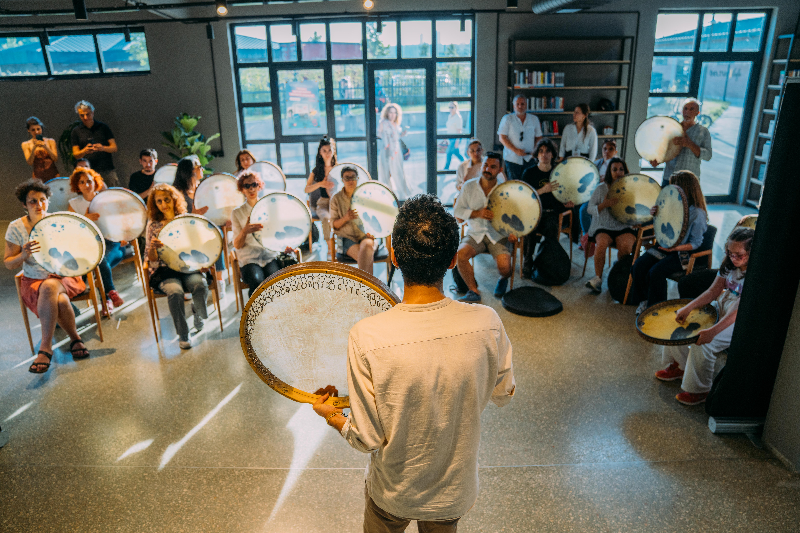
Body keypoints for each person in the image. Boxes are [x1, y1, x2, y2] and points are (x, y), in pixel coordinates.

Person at [311, 194, 515, 533]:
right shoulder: (488, 323)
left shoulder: (367, 335)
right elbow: (504, 394)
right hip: (452, 494)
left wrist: (332, 414)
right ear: (453, 260)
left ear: (392, 254)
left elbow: (366, 438)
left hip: (393, 494)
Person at [655, 227, 753, 406]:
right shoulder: (729, 265)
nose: (733, 258)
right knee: (680, 326)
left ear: (751, 253)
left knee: (705, 342)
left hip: (738, 317)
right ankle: (680, 366)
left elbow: (736, 311)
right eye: (730, 253)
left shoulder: (753, 274)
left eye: (739, 255)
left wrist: (712, 331)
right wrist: (688, 308)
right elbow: (713, 291)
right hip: (724, 303)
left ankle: (700, 389)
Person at [4, 179, 90, 373]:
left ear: (48, 201)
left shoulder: (59, 223)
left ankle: (45, 348)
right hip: (34, 280)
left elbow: (78, 253)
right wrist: (23, 255)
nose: (38, 205)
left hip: (63, 277)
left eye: (42, 200)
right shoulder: (16, 227)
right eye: (32, 201)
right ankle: (75, 339)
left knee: (51, 285)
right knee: (58, 299)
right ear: (24, 205)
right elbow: (8, 263)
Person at [631, 170, 708, 313]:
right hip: (664, 246)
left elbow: (696, 243)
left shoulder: (697, 213)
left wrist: (674, 249)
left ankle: (656, 309)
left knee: (656, 272)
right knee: (638, 266)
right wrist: (656, 214)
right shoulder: (671, 205)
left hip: (682, 253)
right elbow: (663, 230)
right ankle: (645, 300)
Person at [145, 184, 208, 350]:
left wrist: (203, 261)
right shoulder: (153, 225)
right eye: (159, 201)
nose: (163, 204)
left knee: (200, 285)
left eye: (166, 199)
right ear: (155, 204)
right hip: (165, 271)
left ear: (174, 199)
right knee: (175, 292)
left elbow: (198, 246)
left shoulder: (186, 220)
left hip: (188, 267)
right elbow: (150, 259)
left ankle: (198, 312)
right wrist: (153, 248)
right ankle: (183, 335)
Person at [454, 152, 518, 302]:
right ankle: (473, 291)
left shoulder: (505, 190)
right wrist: (477, 213)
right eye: (485, 165)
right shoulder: (469, 186)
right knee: (460, 255)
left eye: (493, 167)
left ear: (500, 170)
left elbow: (515, 215)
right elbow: (458, 211)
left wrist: (514, 233)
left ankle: (503, 278)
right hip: (475, 233)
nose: (487, 169)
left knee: (505, 268)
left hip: (498, 235)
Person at [67, 167, 125, 313]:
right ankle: (110, 294)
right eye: (82, 182)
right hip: (89, 244)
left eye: (89, 181)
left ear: (95, 182)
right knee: (97, 260)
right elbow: (70, 229)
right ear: (77, 185)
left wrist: (124, 236)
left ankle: (106, 301)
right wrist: (85, 219)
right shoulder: (74, 203)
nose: (87, 185)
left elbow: (119, 222)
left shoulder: (104, 199)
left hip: (112, 243)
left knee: (98, 261)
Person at [520, 139, 573, 279]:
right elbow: (523, 197)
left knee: (551, 228)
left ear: (552, 154)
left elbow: (563, 196)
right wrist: (543, 190)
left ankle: (545, 263)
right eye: (541, 151)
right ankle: (528, 261)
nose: (544, 154)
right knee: (529, 228)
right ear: (537, 154)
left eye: (547, 151)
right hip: (533, 212)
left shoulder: (559, 173)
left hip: (552, 213)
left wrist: (567, 204)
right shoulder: (529, 172)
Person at [231, 172, 289, 297]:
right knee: (257, 281)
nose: (251, 188)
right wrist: (244, 231)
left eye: (254, 184)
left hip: (269, 256)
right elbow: (237, 245)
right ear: (242, 189)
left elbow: (278, 234)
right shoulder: (237, 213)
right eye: (247, 186)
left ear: (259, 186)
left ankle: (274, 313)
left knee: (275, 282)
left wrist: (286, 246)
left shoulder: (269, 208)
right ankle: (258, 314)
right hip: (249, 259)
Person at [584, 158, 637, 294]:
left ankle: (619, 278)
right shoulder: (601, 188)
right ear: (609, 172)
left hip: (623, 226)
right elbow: (589, 208)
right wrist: (603, 205)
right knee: (601, 244)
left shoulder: (629, 189)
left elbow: (634, 210)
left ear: (625, 171)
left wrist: (635, 218)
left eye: (621, 169)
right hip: (603, 225)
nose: (618, 172)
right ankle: (598, 279)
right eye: (615, 169)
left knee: (625, 247)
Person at [173, 155, 226, 291]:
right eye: (198, 166)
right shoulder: (178, 193)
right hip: (186, 231)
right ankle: (192, 280)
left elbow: (216, 208)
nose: (202, 168)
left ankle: (219, 279)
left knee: (217, 233)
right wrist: (193, 215)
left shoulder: (204, 188)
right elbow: (176, 219)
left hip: (204, 227)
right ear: (189, 171)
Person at [650, 98, 712, 186]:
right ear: (681, 111)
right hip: (669, 177)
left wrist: (689, 144)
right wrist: (658, 160)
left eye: (691, 109)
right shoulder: (672, 130)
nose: (687, 112)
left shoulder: (703, 132)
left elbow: (708, 155)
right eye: (685, 108)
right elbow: (664, 151)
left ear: (697, 113)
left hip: (689, 180)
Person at [330, 166, 375, 274]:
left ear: (357, 178)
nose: (350, 180)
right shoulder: (336, 199)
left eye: (353, 177)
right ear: (342, 180)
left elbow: (374, 219)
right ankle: (370, 287)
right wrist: (346, 218)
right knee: (365, 257)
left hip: (364, 235)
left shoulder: (365, 197)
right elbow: (333, 225)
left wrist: (372, 232)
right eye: (347, 178)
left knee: (368, 246)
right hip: (346, 238)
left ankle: (363, 287)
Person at [70, 100, 119, 187]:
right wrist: (85, 151)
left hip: (106, 169)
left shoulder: (103, 127)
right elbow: (76, 154)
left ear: (92, 113)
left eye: (87, 114)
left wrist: (102, 148)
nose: (85, 117)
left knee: (111, 195)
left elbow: (114, 148)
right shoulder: (76, 131)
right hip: (88, 172)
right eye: (82, 115)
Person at [497, 94, 542, 182]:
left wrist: (535, 151)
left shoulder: (534, 119)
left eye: (522, 104)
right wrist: (516, 150)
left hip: (530, 158)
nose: (520, 106)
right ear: (514, 106)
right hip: (512, 158)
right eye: (517, 104)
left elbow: (539, 137)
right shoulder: (507, 119)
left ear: (526, 105)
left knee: (530, 183)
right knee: (514, 184)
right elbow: (502, 137)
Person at [305, 137, 337, 259]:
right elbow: (306, 189)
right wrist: (320, 184)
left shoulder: (338, 168)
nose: (327, 153)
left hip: (337, 202)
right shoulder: (317, 170)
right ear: (320, 152)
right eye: (324, 150)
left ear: (333, 151)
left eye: (330, 150)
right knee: (326, 218)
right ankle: (330, 249)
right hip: (323, 203)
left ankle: (341, 247)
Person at [581, 139, 618, 235]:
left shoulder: (619, 165)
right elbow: (589, 181)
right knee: (583, 210)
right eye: (605, 149)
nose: (607, 152)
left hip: (611, 197)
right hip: (595, 195)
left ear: (615, 152)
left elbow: (623, 183)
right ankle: (587, 237)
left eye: (611, 149)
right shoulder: (596, 164)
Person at [377, 103, 411, 200]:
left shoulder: (395, 123)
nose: (392, 115)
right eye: (390, 112)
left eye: (394, 113)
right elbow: (379, 135)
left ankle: (402, 194)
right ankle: (387, 195)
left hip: (397, 150)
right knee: (386, 173)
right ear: (387, 113)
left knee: (398, 171)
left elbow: (396, 137)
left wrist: (401, 134)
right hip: (387, 150)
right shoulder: (383, 123)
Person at [21, 117, 59, 181]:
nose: (37, 132)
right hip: (38, 176)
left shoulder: (50, 141)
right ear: (28, 130)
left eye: (38, 129)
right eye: (33, 130)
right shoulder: (26, 144)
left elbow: (55, 158)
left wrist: (45, 147)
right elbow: (30, 162)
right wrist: (34, 148)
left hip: (53, 174)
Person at [444, 101, 465, 170]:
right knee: (456, 153)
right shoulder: (449, 116)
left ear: (456, 108)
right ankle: (466, 164)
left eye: (452, 107)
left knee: (448, 152)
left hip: (455, 138)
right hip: (450, 138)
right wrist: (446, 138)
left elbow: (459, 131)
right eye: (449, 107)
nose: (450, 109)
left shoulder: (458, 117)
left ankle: (446, 168)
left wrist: (457, 142)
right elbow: (449, 128)